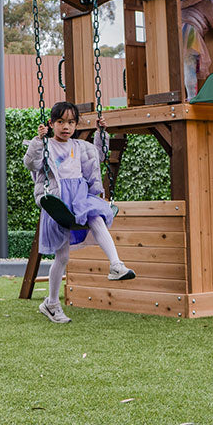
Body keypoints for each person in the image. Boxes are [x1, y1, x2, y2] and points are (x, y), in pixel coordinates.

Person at [23, 102, 134, 324]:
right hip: (58, 201)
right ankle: (51, 303)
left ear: (76, 125)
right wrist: (38, 140)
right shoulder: (46, 145)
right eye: (61, 122)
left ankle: (116, 265)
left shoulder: (80, 146)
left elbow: (98, 156)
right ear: (51, 123)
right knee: (62, 257)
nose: (66, 127)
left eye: (71, 122)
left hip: (80, 199)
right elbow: (30, 164)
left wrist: (101, 133)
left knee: (97, 216)